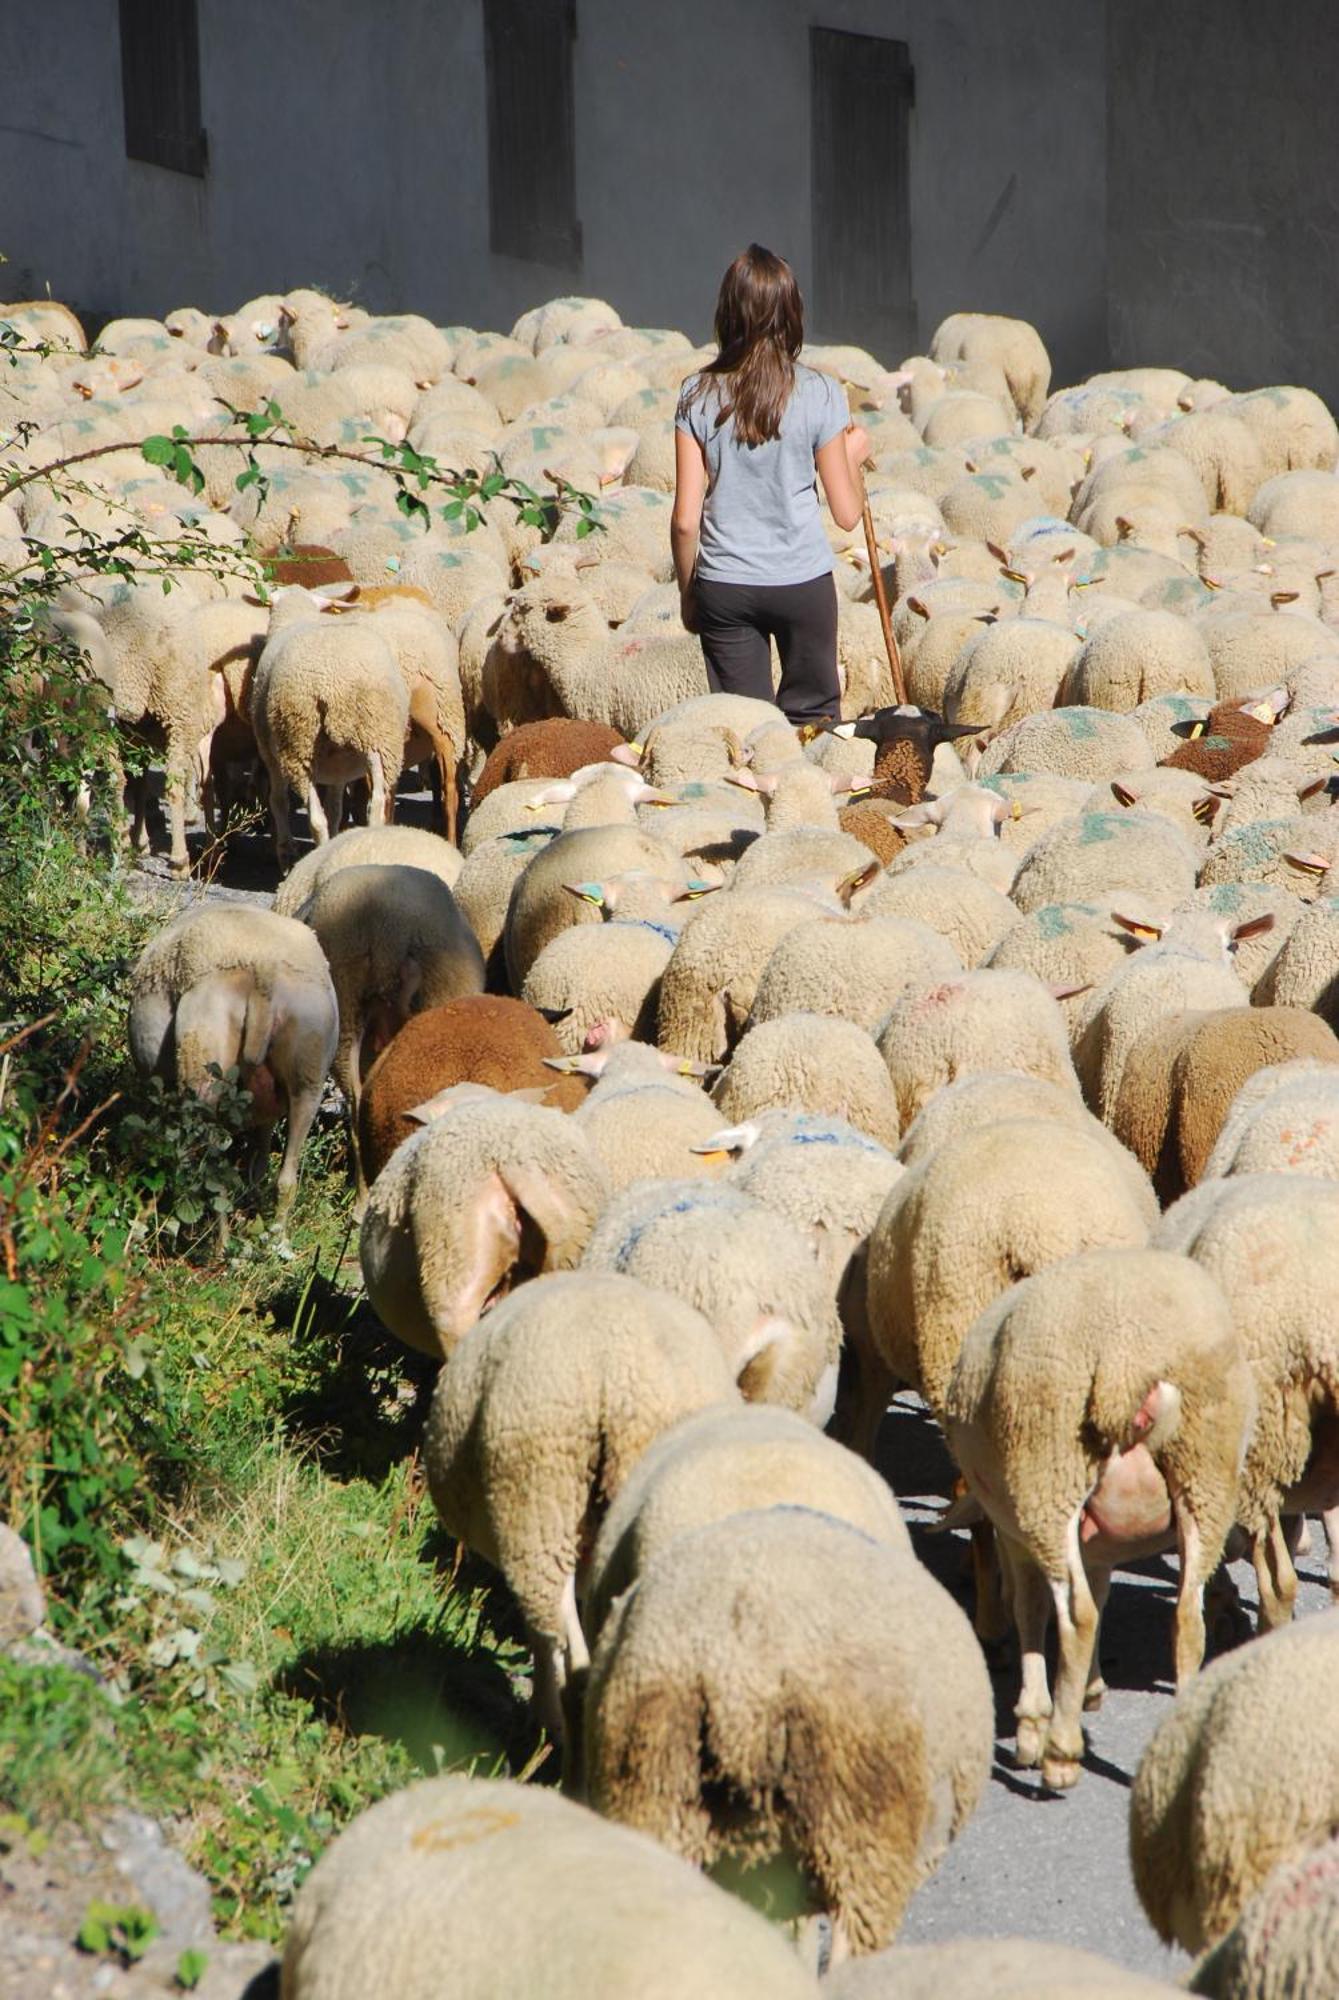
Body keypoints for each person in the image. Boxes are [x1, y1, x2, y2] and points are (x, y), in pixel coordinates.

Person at [671, 243, 870, 729]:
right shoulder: (822, 392)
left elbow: (683, 521)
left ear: (727, 313)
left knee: (746, 733)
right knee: (814, 725)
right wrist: (854, 454)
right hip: (802, 582)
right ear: (791, 313)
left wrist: (688, 595)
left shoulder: (695, 394)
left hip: (726, 583)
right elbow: (847, 513)